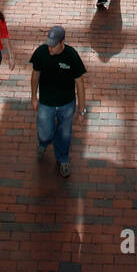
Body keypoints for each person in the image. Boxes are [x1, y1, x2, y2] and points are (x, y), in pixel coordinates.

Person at [30, 25, 87, 178]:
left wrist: (82, 110)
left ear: (62, 42)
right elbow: (35, 75)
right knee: (44, 132)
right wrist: (33, 97)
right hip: (46, 103)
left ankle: (62, 159)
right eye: (49, 44)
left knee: (64, 134)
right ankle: (43, 142)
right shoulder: (41, 53)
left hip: (66, 104)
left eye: (53, 46)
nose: (50, 48)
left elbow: (80, 83)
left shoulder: (72, 56)